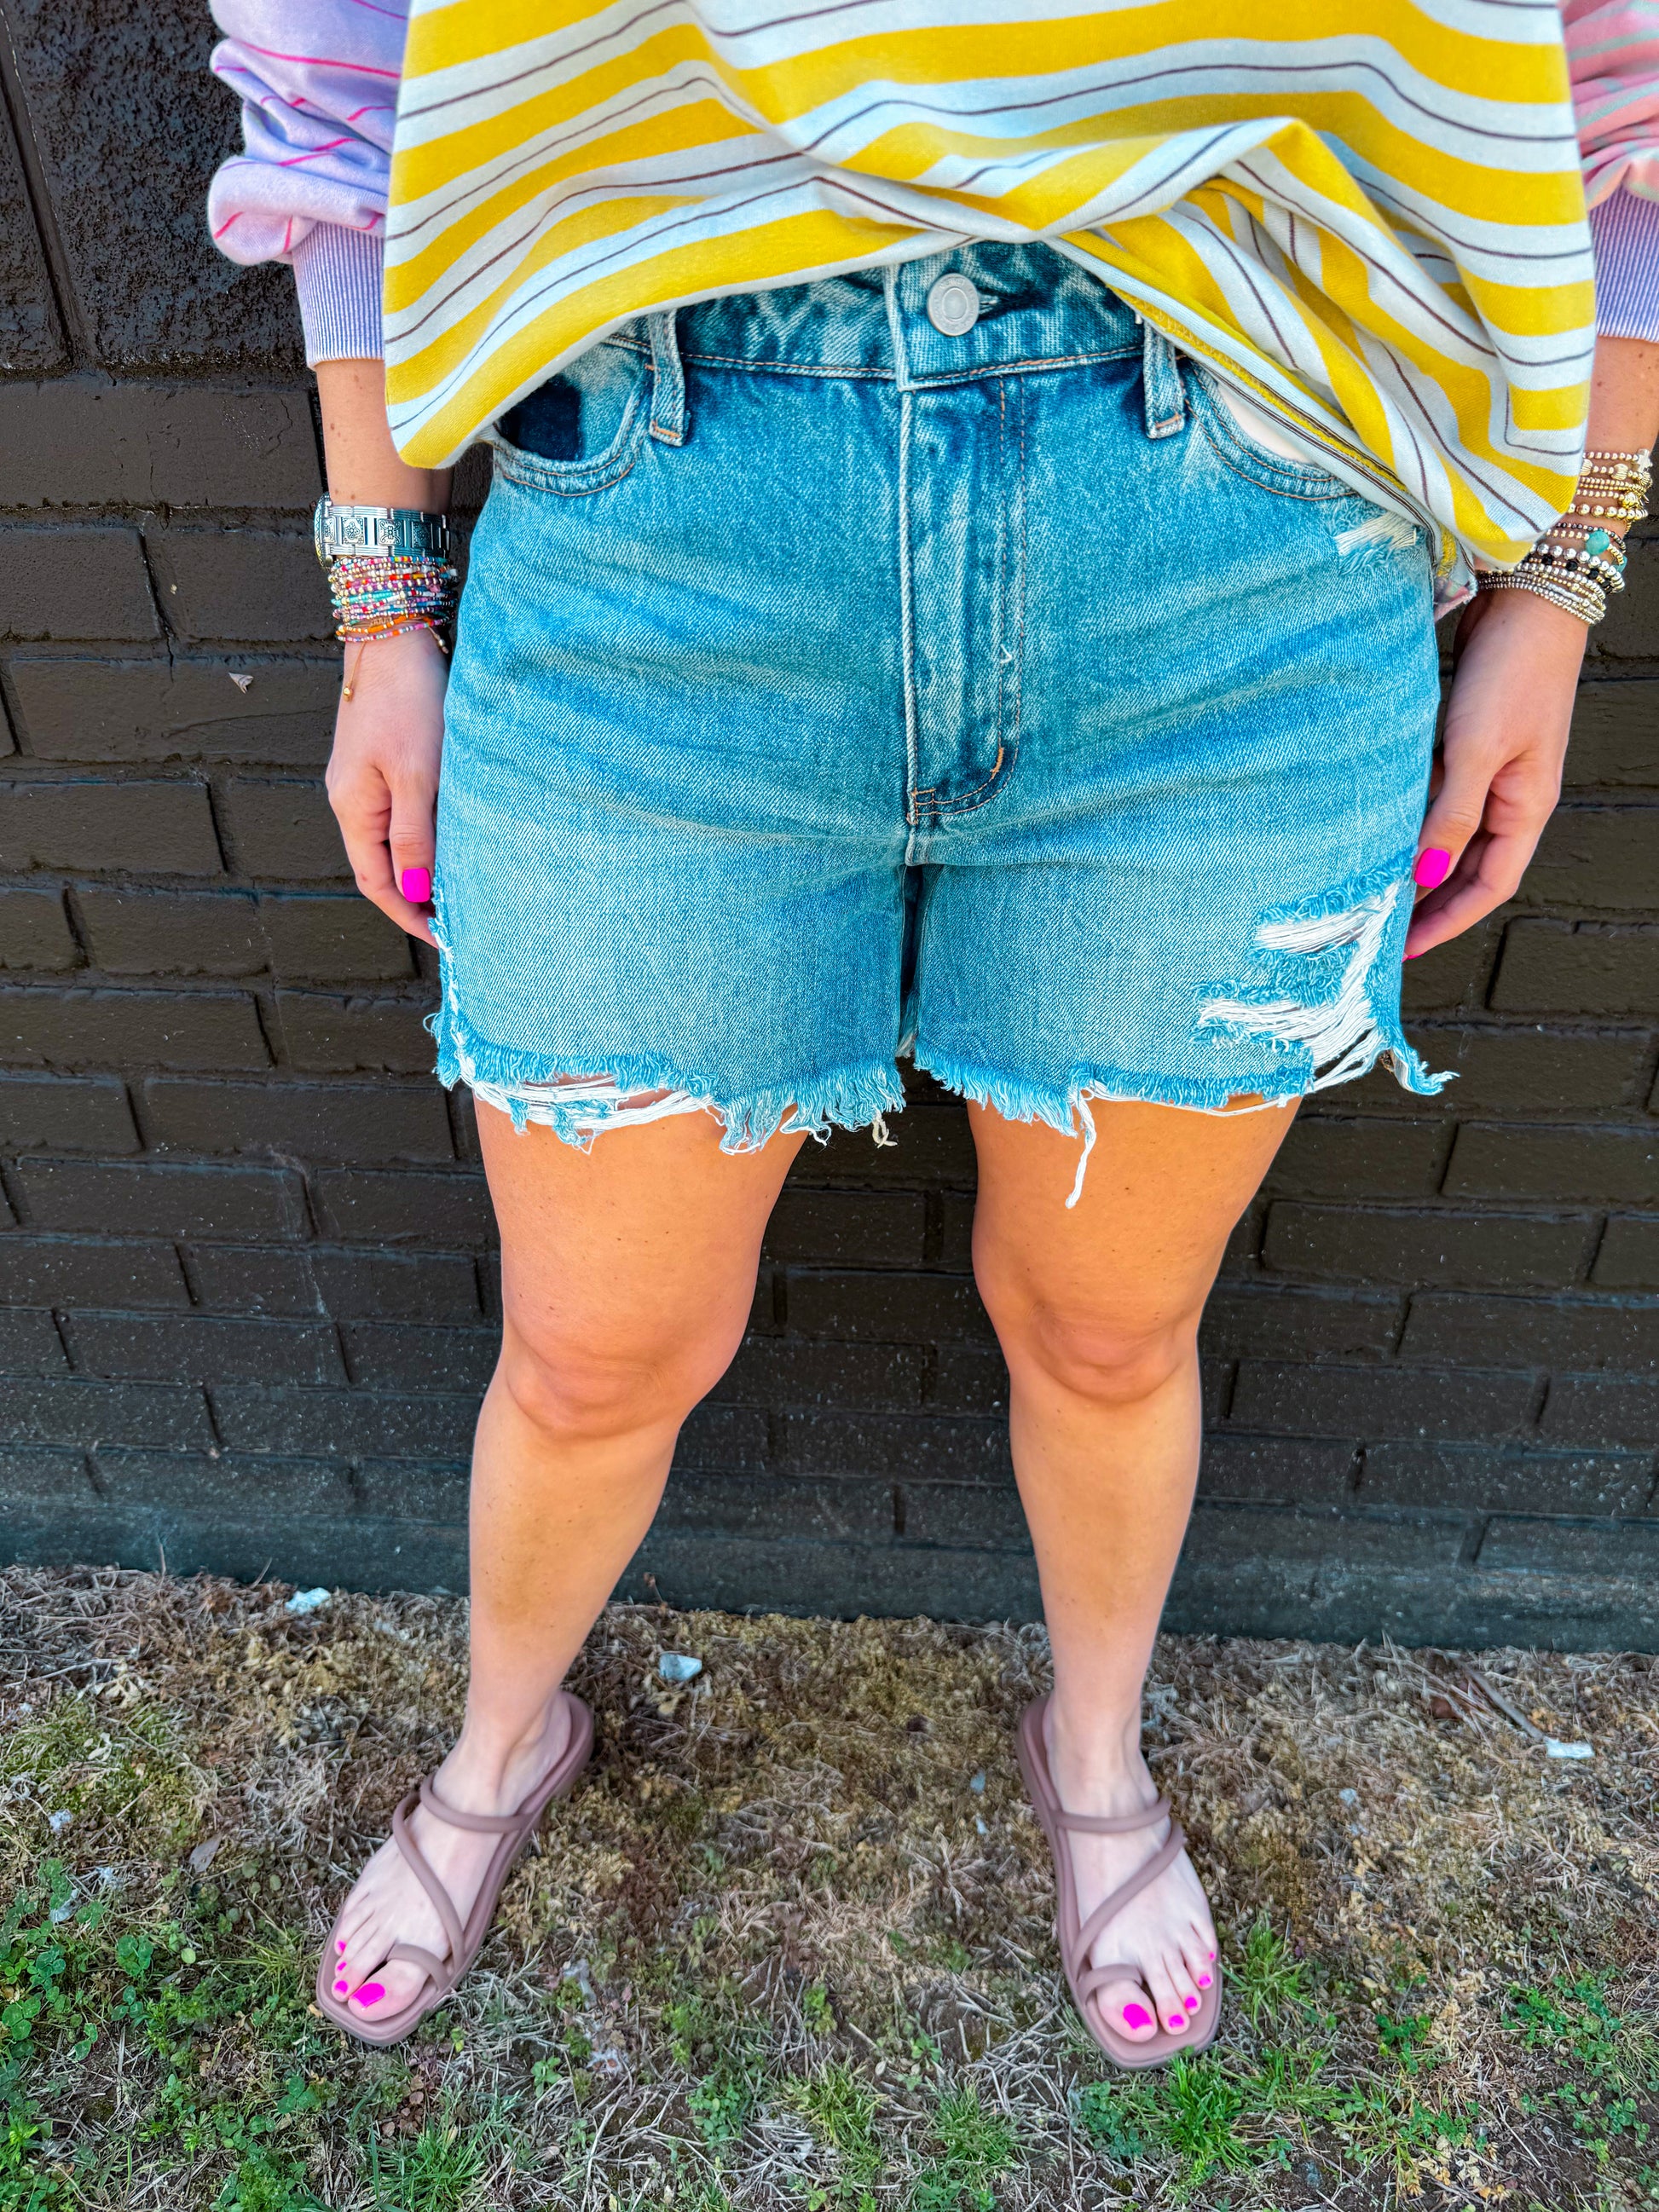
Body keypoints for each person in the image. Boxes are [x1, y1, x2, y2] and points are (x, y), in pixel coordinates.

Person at [205, 0, 1659, 2061]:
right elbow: (338, 62)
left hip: (1237, 542)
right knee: (597, 1347)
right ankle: (495, 1746)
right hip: (658, 518)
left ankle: (1096, 1753)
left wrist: (1562, 574)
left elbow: (1619, 78)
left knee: (1108, 1326)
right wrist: (383, 591)